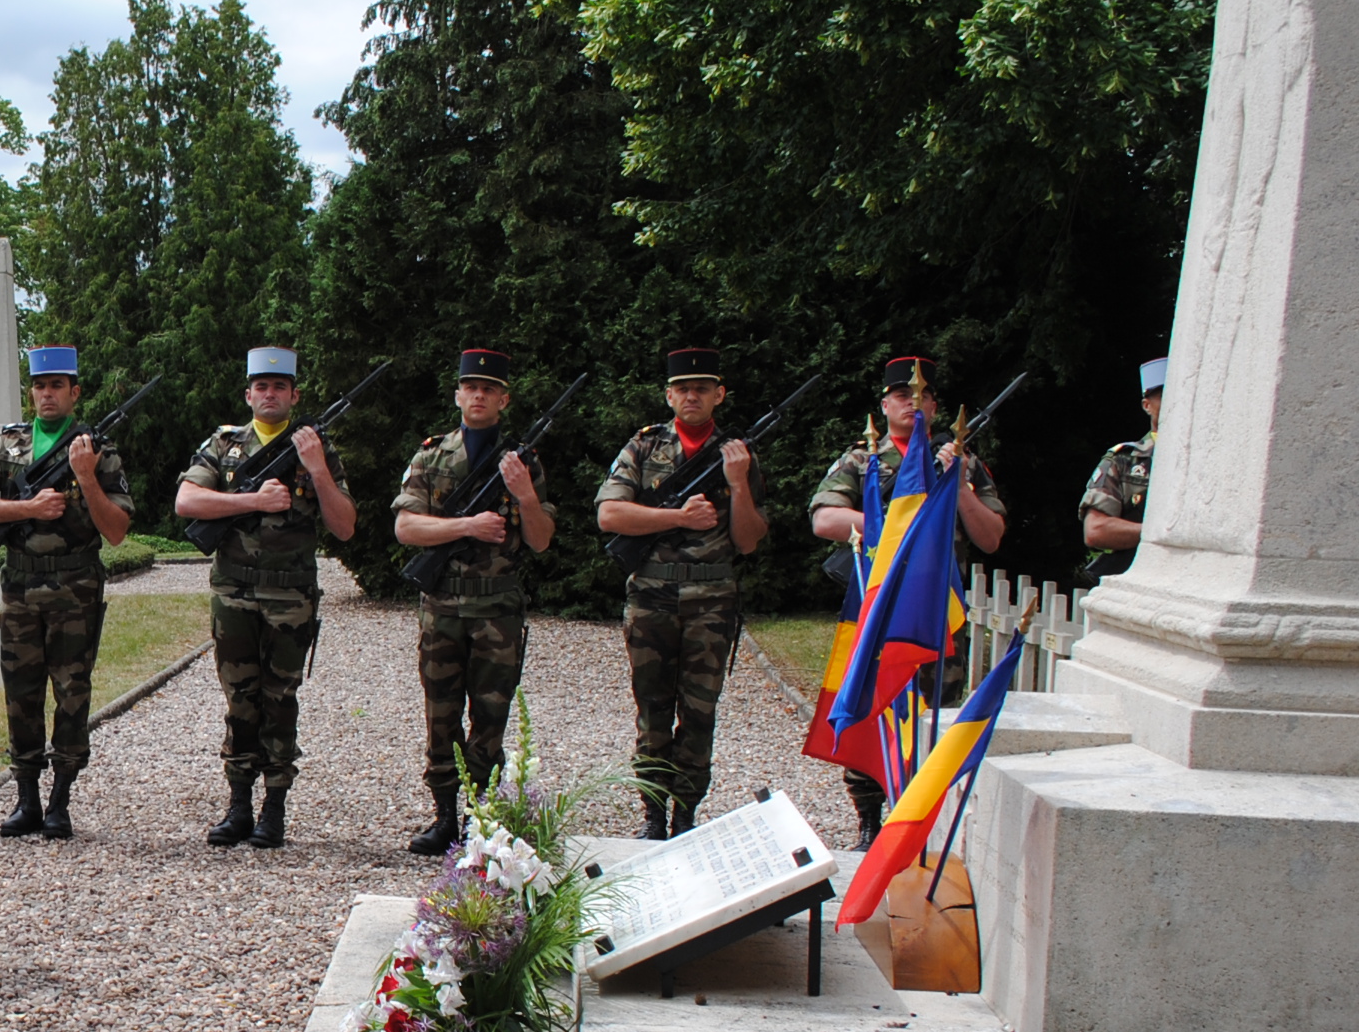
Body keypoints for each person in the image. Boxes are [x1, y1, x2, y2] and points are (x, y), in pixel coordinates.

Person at [805, 353, 1009, 846]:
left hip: (937, 611)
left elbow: (992, 536)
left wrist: (957, 488)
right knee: (873, 702)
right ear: (886, 403)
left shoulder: (961, 460)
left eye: (923, 397)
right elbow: (824, 519)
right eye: (902, 397)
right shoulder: (865, 460)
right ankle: (870, 818)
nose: (912, 405)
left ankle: (925, 818)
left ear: (935, 406)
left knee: (938, 709)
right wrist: (895, 526)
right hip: (879, 608)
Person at [174, 346, 357, 850]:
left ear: (294, 395)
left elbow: (344, 526)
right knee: (239, 700)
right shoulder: (225, 445)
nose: (269, 394)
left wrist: (317, 468)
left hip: (290, 597)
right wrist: (253, 500)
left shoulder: (316, 447)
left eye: (279, 387)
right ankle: (237, 807)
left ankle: (272, 810)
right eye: (261, 386)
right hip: (233, 593)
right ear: (248, 394)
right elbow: (186, 501)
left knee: (280, 701)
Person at [0, 343, 135, 841]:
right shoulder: (9, 445)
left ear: (74, 392)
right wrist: (27, 508)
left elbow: (117, 530)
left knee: (72, 694)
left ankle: (61, 799)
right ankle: (27, 798)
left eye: (57, 385)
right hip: (20, 585)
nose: (47, 394)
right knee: (21, 694)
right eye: (39, 385)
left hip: (76, 588)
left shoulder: (97, 450)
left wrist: (85, 479)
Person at [596, 349, 770, 839]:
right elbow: (610, 515)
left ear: (719, 394)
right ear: (669, 395)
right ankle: (652, 814)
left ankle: (687, 814)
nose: (692, 395)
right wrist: (677, 517)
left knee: (699, 713)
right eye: (682, 388)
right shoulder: (644, 448)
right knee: (652, 709)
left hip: (712, 601)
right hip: (652, 597)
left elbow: (749, 539)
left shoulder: (738, 454)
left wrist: (737, 485)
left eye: (702, 388)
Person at [391, 349, 555, 855]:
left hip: (497, 612)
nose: (479, 396)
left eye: (489, 389)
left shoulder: (521, 461)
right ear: (458, 395)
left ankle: (480, 817)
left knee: (491, 715)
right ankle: (444, 815)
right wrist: (466, 526)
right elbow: (405, 527)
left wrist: (525, 495)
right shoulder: (431, 456)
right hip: (443, 608)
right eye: (471, 388)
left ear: (503, 400)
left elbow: (542, 539)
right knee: (441, 713)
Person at [1079, 356, 1166, 585]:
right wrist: (1159, 533)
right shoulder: (1124, 460)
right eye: (1164, 395)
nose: (1174, 402)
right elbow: (1096, 530)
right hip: (1137, 583)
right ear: (1147, 405)